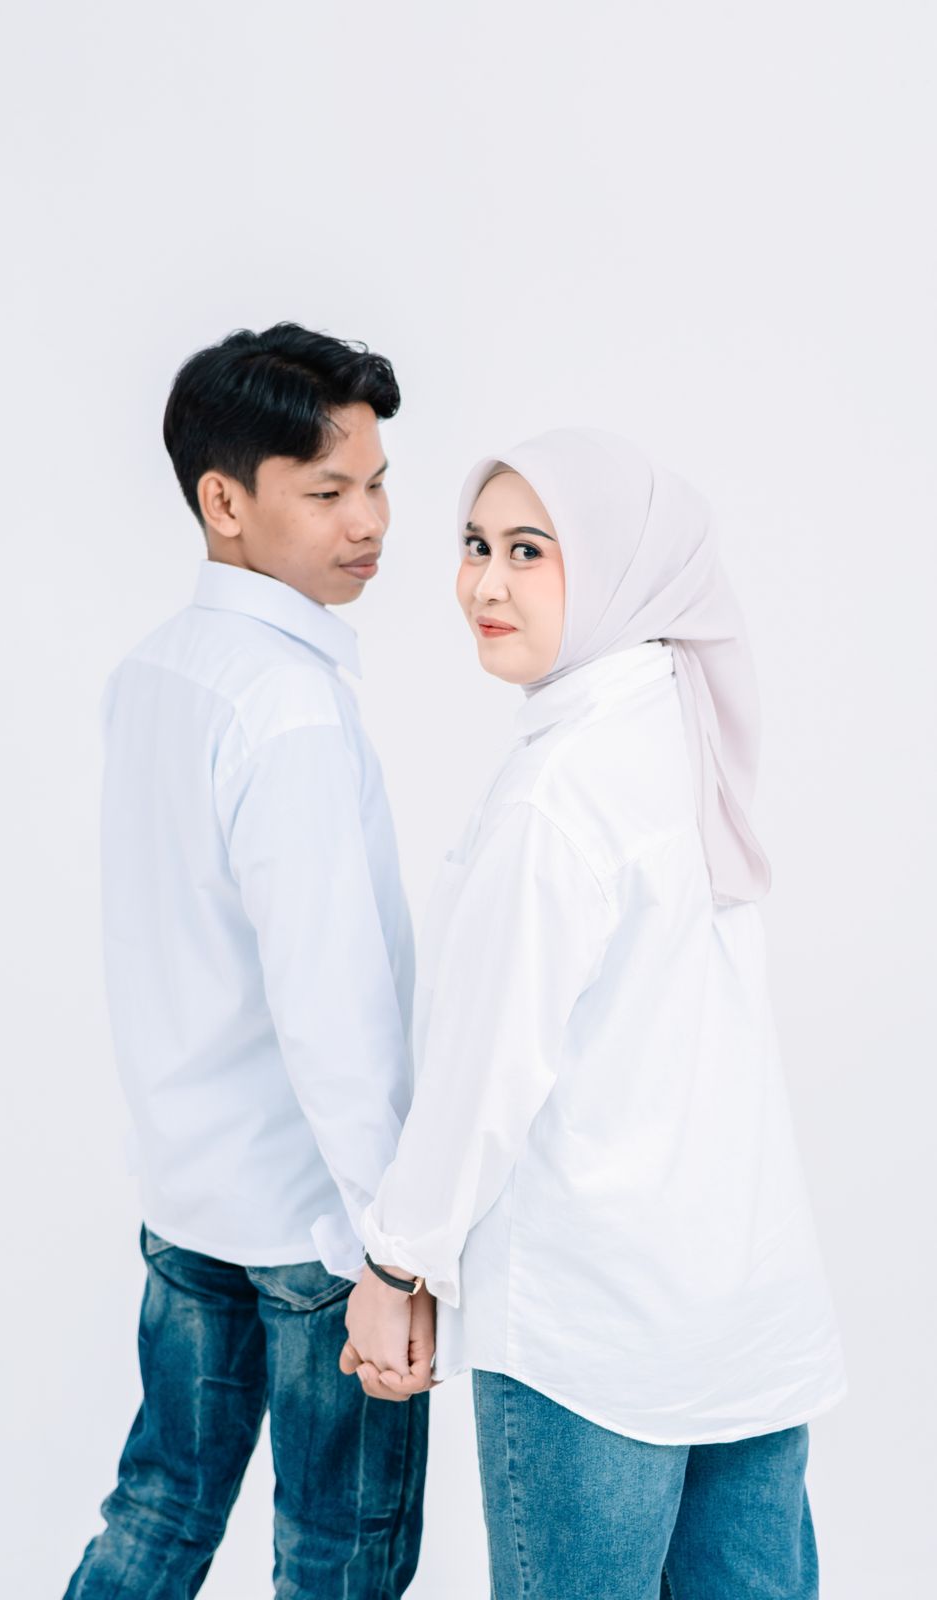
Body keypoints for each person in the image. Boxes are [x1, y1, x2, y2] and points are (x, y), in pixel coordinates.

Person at [341, 430, 846, 1599]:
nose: (483, 584)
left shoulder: (557, 794)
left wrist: (396, 1263)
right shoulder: (681, 729)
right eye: (474, 545)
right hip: (742, 1309)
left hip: (594, 1332)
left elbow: (484, 1071)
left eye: (529, 549)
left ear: (622, 564)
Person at [64, 323, 431, 1600]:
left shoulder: (154, 671)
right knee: (339, 1552)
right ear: (224, 503)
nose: (367, 520)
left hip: (188, 1194)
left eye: (375, 481)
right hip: (315, 1227)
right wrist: (395, 1246)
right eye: (326, 492)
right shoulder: (285, 706)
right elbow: (334, 1006)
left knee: (159, 1508)